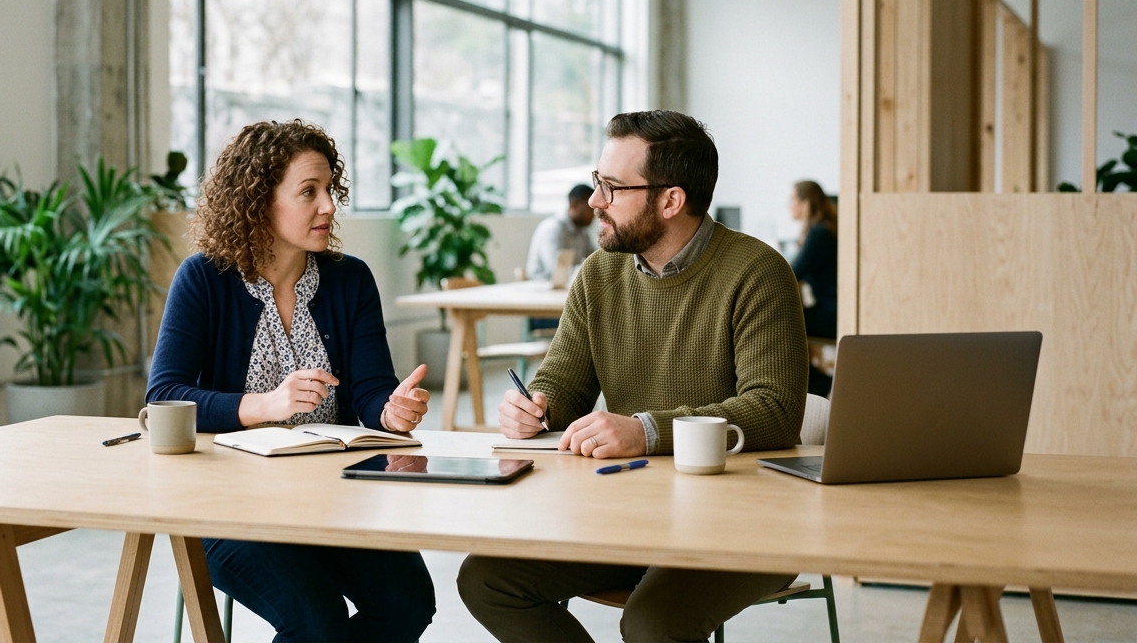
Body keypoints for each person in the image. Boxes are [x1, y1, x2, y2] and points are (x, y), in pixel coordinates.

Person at [456, 110, 808, 643]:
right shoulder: (598, 274)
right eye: (598, 183)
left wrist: (644, 429)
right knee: (486, 579)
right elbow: (563, 385)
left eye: (613, 187)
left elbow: (775, 412)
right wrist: (533, 409)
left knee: (651, 624)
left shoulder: (758, 272)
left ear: (670, 200)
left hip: (743, 523)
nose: (595, 200)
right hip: (629, 514)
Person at [147, 119, 436, 643]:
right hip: (228, 505)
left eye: (330, 190)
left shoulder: (350, 280)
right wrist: (263, 406)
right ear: (258, 201)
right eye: (309, 192)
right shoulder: (203, 280)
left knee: (408, 602)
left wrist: (390, 411)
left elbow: (371, 388)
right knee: (313, 618)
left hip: (336, 494)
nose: (328, 205)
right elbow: (163, 396)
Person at [789, 180, 837, 398]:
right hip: (830, 309)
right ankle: (815, 386)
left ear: (806, 203)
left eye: (793, 200)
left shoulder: (819, 234)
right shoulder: (825, 229)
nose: (789, 205)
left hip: (831, 314)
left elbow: (791, 273)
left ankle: (813, 387)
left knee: (785, 323)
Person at [524, 184, 596, 281]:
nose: (595, 215)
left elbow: (594, 260)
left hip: (565, 287)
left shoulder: (582, 231)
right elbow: (558, 271)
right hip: (541, 287)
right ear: (574, 204)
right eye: (591, 209)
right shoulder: (552, 229)